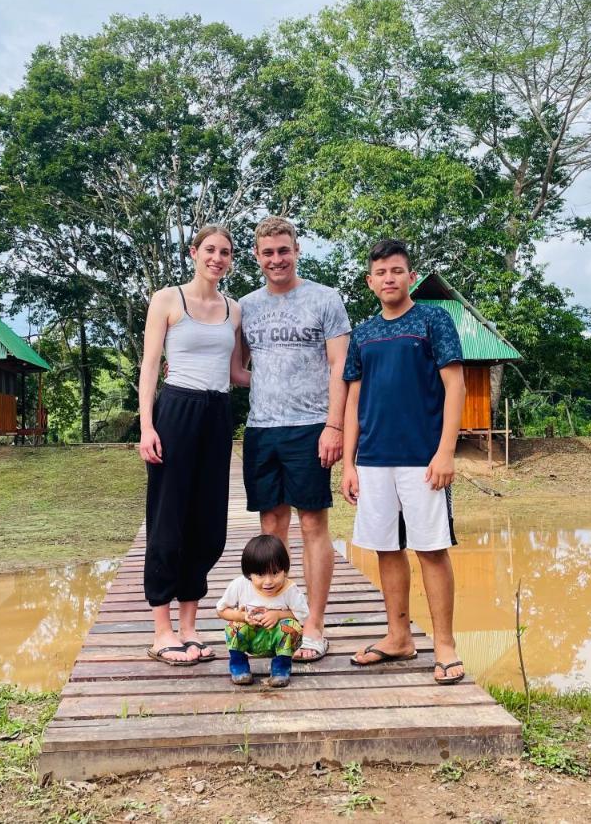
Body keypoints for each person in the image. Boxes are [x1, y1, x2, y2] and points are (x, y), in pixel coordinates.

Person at [340, 238, 467, 685]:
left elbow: (456, 387)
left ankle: (445, 645)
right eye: (381, 273)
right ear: (370, 281)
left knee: (431, 548)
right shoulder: (364, 333)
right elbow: (354, 399)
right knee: (386, 549)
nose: (389, 279)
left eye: (397, 271)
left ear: (410, 276)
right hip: (373, 460)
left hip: (422, 459)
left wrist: (446, 451)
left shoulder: (434, 319)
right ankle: (399, 637)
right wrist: (349, 463)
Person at [137, 225, 251, 666]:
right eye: (209, 250)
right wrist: (147, 426)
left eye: (225, 252)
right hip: (176, 410)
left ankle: (189, 626)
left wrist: (297, 375)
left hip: (217, 414)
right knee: (168, 518)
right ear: (193, 253)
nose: (217, 258)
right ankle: (161, 630)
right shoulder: (167, 300)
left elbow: (238, 373)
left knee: (207, 522)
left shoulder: (234, 310)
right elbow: (150, 366)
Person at [239, 216, 350, 663]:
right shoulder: (245, 306)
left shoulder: (324, 299)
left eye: (283, 250)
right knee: (272, 529)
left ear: (296, 250)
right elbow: (235, 367)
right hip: (262, 428)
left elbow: (341, 365)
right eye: (268, 252)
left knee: (313, 525)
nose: (276, 259)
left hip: (311, 426)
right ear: (257, 256)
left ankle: (314, 625)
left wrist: (334, 425)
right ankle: (279, 621)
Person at [216, 534, 311, 688]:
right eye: (260, 575)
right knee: (235, 626)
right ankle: (239, 665)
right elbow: (221, 610)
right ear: (249, 574)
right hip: (251, 636)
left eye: (275, 573)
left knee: (291, 626)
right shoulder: (240, 585)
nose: (268, 581)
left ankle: (281, 668)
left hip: (277, 639)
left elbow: (303, 615)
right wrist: (241, 616)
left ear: (284, 570)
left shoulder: (290, 590)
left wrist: (279, 614)